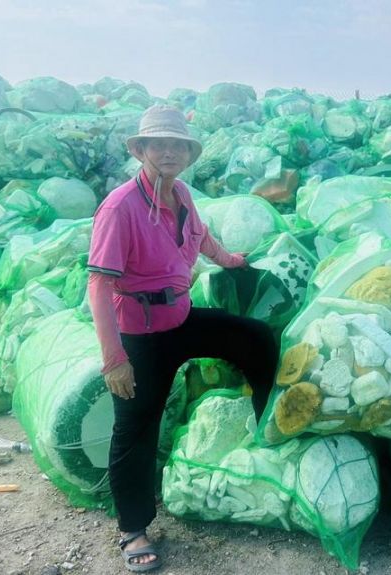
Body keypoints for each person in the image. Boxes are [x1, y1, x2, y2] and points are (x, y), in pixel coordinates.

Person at [87, 105, 278, 572]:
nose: (168, 151)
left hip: (181, 319)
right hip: (140, 333)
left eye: (177, 145)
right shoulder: (120, 206)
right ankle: (133, 528)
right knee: (135, 426)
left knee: (257, 339)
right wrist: (114, 359)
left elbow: (201, 237)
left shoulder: (183, 195)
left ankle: (269, 433)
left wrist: (232, 260)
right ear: (142, 150)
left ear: (188, 153)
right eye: (158, 144)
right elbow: (98, 284)